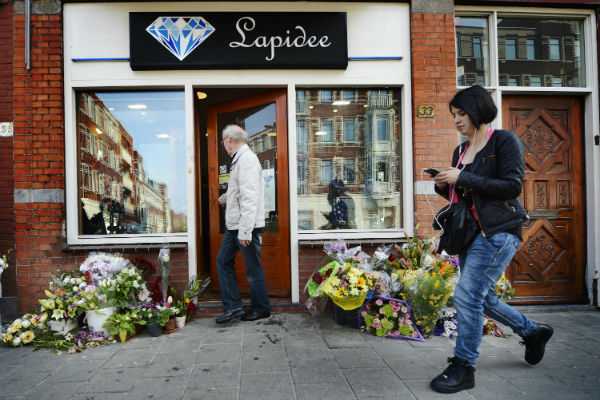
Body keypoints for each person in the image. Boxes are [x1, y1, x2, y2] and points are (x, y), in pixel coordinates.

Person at [429, 85, 553, 394]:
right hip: (469, 235)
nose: (457, 120)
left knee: (466, 295)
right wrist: (444, 184)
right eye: (454, 115)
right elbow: (464, 197)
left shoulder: (504, 141)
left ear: (478, 111)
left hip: (498, 232)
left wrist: (463, 177)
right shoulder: (460, 151)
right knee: (481, 298)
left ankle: (463, 366)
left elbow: (511, 186)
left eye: (461, 113)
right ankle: (532, 332)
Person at [215, 124, 271, 324]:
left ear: (229, 140)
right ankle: (234, 307)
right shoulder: (238, 160)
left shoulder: (246, 160)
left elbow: (249, 198)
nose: (224, 145)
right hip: (235, 226)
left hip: (244, 227)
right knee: (223, 261)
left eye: (223, 141)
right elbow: (239, 191)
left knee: (253, 269)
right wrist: (224, 198)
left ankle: (262, 309)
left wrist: (246, 231)